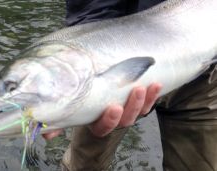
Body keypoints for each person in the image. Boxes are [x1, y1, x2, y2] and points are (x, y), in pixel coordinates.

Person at [43, 0, 217, 170]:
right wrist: (92, 59)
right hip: (115, 65)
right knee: (84, 165)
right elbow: (93, 11)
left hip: (206, 65)